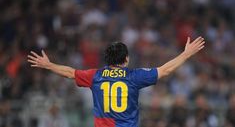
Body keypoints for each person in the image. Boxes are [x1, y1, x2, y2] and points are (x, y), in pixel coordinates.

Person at [27, 36, 205, 127]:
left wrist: (48, 65)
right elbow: (165, 70)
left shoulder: (95, 76)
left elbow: (70, 73)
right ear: (126, 59)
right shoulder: (134, 76)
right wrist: (186, 53)